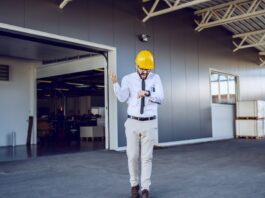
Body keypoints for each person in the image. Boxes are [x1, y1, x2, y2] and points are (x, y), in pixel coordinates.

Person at [109, 50, 164, 198]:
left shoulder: (156, 78)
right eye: (142, 68)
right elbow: (122, 98)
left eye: (147, 69)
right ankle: (134, 185)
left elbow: (160, 98)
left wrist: (147, 94)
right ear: (136, 66)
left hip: (150, 122)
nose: (144, 71)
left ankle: (145, 188)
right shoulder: (128, 79)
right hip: (132, 122)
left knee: (147, 157)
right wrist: (115, 84)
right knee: (132, 156)